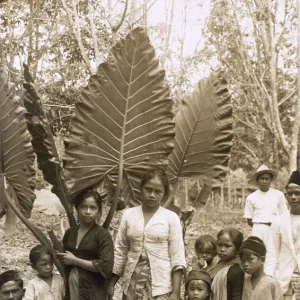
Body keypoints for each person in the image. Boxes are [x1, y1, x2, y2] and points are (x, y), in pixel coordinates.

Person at [108, 168, 186, 300]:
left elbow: (177, 255)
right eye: (148, 189)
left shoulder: (171, 218)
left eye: (158, 191)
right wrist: (111, 284)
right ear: (141, 189)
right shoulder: (129, 215)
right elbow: (121, 251)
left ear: (164, 194)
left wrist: (176, 292)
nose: (152, 195)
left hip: (161, 285)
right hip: (132, 282)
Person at [56, 189, 114, 300]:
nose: (88, 211)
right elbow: (64, 259)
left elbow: (104, 265)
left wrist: (75, 260)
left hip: (93, 290)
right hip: (71, 287)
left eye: (93, 208)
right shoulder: (70, 233)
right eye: (83, 207)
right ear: (77, 209)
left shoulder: (102, 234)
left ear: (99, 212)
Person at [265, 171, 300, 299]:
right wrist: (268, 278)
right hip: (284, 278)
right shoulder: (278, 221)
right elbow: (272, 251)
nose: (293, 197)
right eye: (290, 194)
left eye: (297, 193)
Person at [244, 164, 287, 246]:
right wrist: (260, 226)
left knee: (273, 251)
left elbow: (284, 215)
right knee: (258, 251)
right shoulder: (251, 197)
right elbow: (249, 219)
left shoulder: (279, 195)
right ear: (257, 180)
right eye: (262, 179)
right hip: (258, 229)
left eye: (267, 179)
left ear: (271, 180)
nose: (264, 181)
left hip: (275, 228)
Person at [210, 228, 244, 300]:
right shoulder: (218, 264)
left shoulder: (237, 270)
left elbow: (237, 296)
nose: (222, 249)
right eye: (219, 245)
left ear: (237, 249)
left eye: (227, 246)